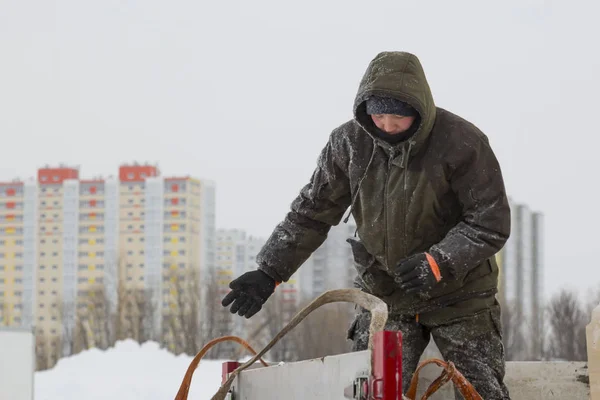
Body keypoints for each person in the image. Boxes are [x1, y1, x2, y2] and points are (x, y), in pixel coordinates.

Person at [221, 51, 511, 399]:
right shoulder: (348, 144)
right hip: (385, 296)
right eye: (378, 114)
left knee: (481, 393)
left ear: (419, 111)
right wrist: (270, 271)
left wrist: (438, 262)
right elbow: (313, 211)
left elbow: (488, 221)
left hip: (461, 296)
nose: (386, 125)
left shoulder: (462, 142)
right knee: (371, 392)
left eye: (397, 117)